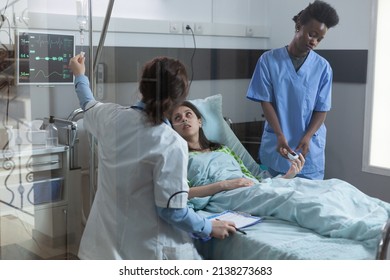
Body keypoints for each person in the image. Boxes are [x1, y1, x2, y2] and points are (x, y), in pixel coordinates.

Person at [68, 55, 237, 260]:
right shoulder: (170, 143)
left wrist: (79, 74)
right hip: (145, 253)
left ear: (142, 87)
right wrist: (208, 227)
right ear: (179, 97)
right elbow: (172, 211)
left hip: (100, 249)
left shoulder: (111, 117)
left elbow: (88, 103)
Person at [171, 101, 390, 248]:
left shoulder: (223, 149)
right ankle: (372, 232)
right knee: (294, 200)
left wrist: (287, 177)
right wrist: (225, 185)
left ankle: (383, 214)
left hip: (251, 187)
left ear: (200, 121)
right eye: (177, 118)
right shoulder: (179, 158)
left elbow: (257, 181)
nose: (184, 120)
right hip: (227, 196)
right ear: (172, 129)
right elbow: (183, 193)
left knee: (333, 186)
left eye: (188, 114)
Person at [246, 1, 339, 179]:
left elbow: (322, 109)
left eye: (319, 39)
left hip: (308, 150)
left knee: (309, 201)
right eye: (312, 34)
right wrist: (280, 135)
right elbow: (266, 103)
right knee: (275, 198)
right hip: (278, 145)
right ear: (298, 26)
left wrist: (307, 137)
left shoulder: (323, 68)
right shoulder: (268, 61)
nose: (314, 41)